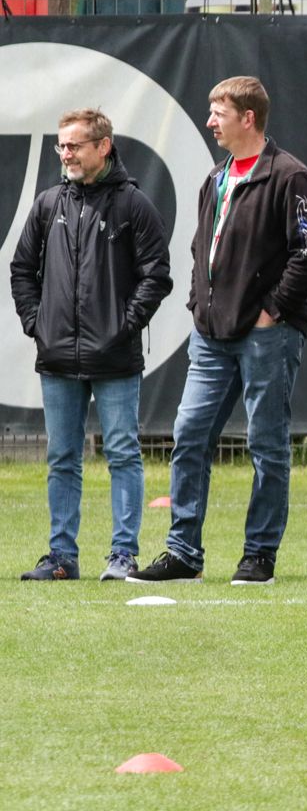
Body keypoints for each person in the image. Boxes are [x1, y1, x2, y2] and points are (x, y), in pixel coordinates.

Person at [130, 77, 307, 587]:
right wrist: (200, 304)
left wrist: (272, 312)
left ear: (249, 117)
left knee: (266, 444)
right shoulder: (215, 179)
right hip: (211, 334)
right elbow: (203, 248)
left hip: (268, 335)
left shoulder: (290, 176)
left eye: (218, 112)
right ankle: (183, 554)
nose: (209, 122)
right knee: (189, 434)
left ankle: (259, 555)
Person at [10, 109, 172, 581]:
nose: (66, 154)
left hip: (116, 357)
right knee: (62, 458)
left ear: (103, 147)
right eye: (61, 145)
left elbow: (156, 275)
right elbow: (22, 270)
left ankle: (123, 555)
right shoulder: (47, 204)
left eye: (75, 145)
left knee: (122, 452)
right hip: (56, 355)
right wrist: (36, 323)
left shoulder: (133, 204)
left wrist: (124, 325)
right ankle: (61, 557)